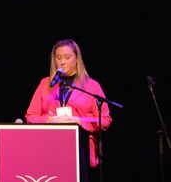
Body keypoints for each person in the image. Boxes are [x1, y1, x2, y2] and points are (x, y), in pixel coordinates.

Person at [25, 38, 112, 168]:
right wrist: (49, 120)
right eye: (58, 58)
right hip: (48, 147)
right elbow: (30, 116)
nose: (62, 62)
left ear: (77, 59)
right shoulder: (45, 84)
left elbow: (105, 120)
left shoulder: (91, 86)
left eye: (67, 57)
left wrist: (79, 121)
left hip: (80, 149)